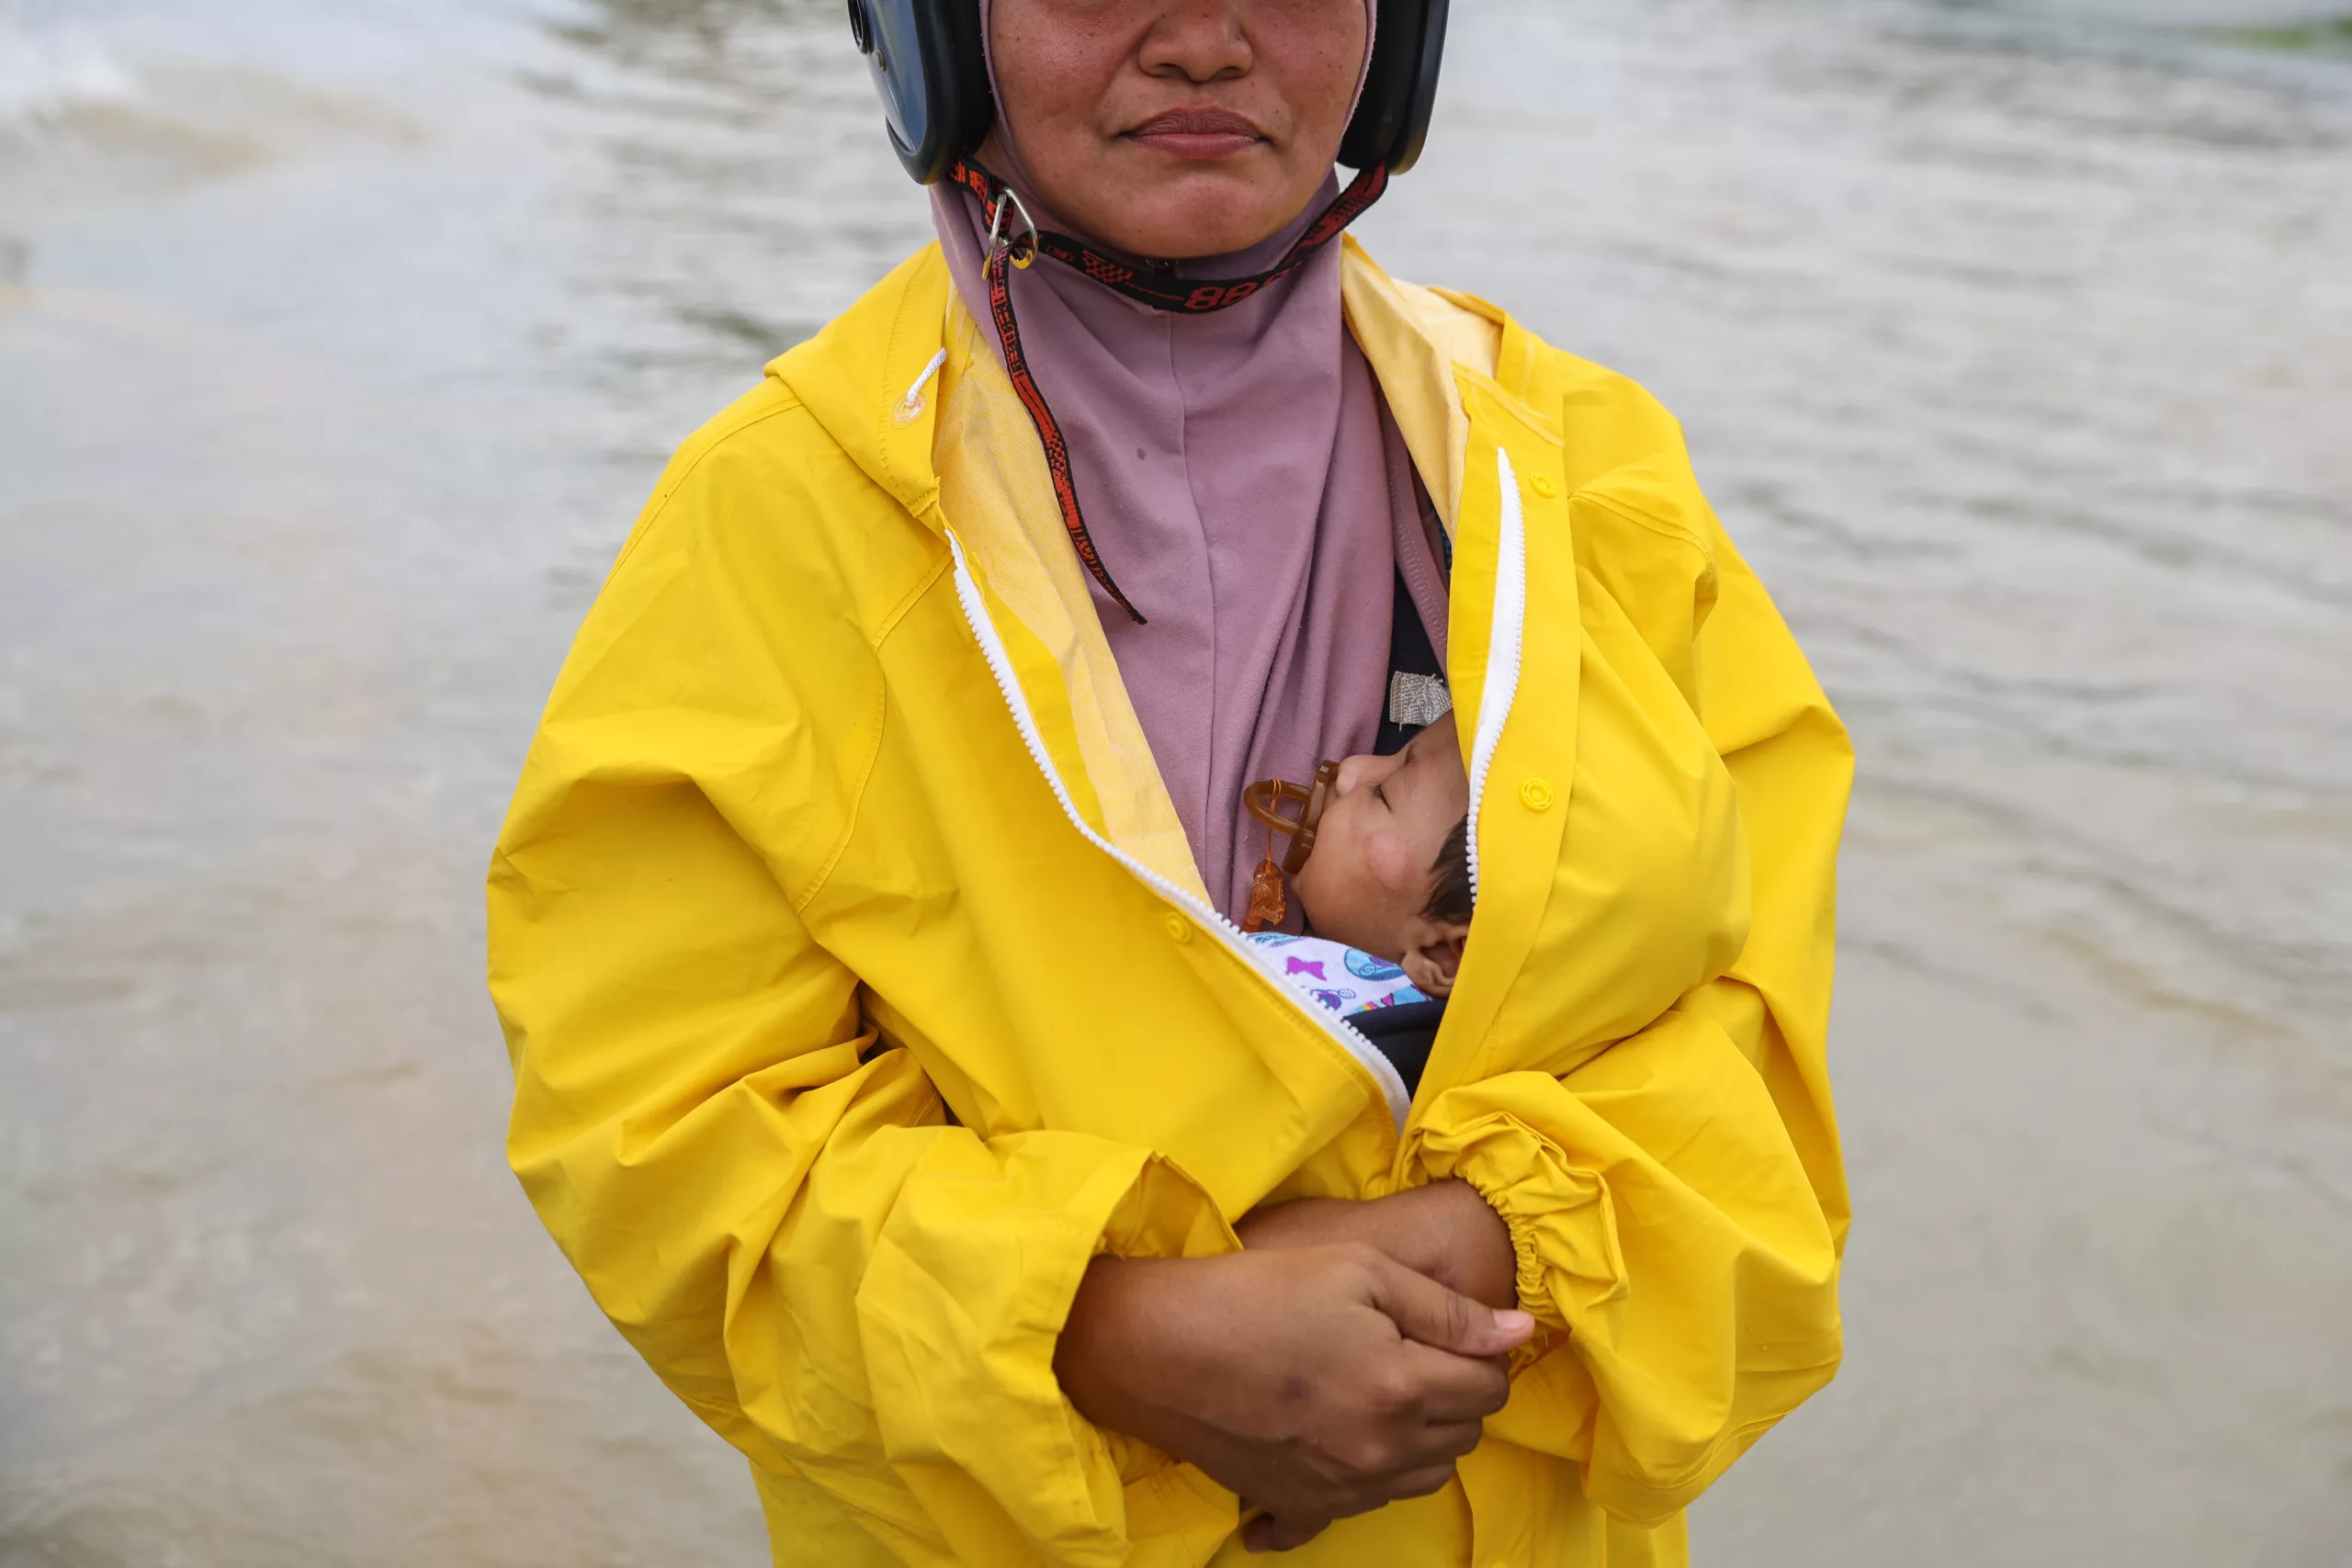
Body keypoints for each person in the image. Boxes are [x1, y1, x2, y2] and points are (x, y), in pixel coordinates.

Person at [487, 0, 1854, 1563]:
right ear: (933, 28)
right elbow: (659, 1139)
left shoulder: (1584, 475)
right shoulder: (775, 522)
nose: (1204, 38)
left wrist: (1495, 1239)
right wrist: (1102, 1328)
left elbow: (1759, 1049)